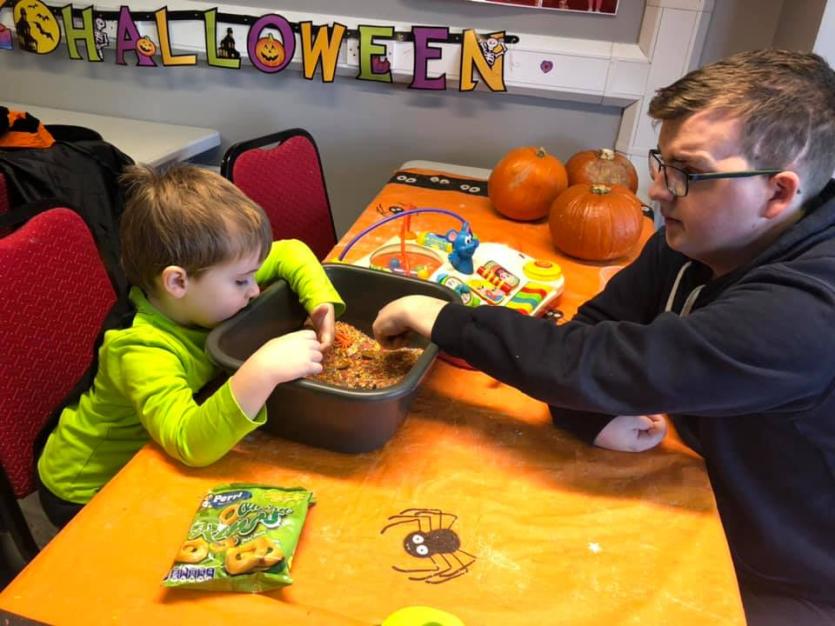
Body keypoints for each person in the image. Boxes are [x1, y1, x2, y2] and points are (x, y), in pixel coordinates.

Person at [373, 49, 835, 625]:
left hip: (783, 579)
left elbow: (607, 366)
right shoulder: (697, 237)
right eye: (661, 164)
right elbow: (591, 343)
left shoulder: (809, 311)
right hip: (696, 485)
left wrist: (447, 320)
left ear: (779, 193)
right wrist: (589, 411)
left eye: (687, 172)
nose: (658, 191)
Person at [37, 164, 344, 528]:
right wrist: (262, 372)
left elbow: (290, 252)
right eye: (242, 281)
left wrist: (319, 302)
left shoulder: (209, 278)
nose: (254, 289)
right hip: (88, 488)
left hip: (154, 451)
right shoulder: (141, 349)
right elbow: (189, 441)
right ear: (178, 282)